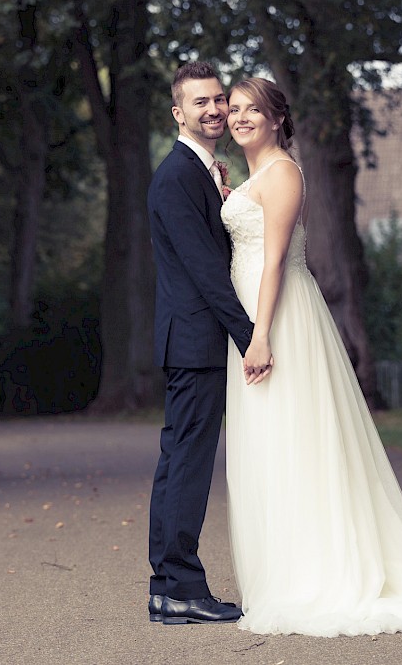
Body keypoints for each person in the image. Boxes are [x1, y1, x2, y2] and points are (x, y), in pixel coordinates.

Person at [220, 77, 402, 636]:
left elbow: (274, 261)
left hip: (278, 318)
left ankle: (321, 573)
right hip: (254, 312)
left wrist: (259, 334)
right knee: (270, 441)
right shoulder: (254, 176)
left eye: (253, 109)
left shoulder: (281, 173)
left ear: (278, 118)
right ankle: (289, 566)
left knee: (297, 437)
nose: (240, 117)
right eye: (234, 109)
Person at [146, 61, 270, 626]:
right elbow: (204, 270)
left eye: (220, 99)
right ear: (179, 113)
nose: (216, 109)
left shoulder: (198, 171)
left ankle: (167, 589)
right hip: (195, 343)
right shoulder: (176, 176)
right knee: (187, 468)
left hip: (193, 340)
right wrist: (251, 337)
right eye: (202, 102)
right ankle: (180, 590)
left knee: (179, 464)